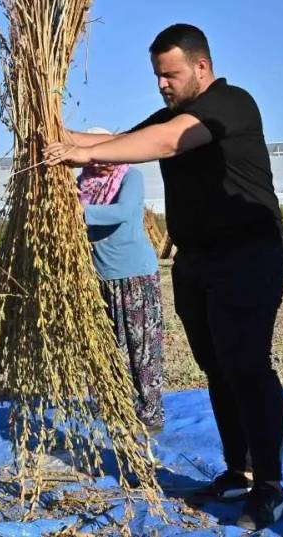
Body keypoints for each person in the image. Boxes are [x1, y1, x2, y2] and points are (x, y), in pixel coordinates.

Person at [46, 24, 283, 530]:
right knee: (216, 366)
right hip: (196, 259)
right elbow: (119, 140)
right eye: (157, 76)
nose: (162, 85)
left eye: (170, 75)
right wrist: (55, 135)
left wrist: (87, 155)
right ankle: (237, 470)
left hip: (248, 254)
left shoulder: (231, 104)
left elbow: (168, 143)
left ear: (201, 67)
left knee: (248, 363)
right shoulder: (172, 114)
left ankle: (270, 488)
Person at [78, 162, 165, 433]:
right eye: (93, 159)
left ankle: (149, 413)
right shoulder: (81, 185)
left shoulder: (130, 176)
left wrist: (79, 212)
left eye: (106, 154)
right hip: (99, 277)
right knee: (108, 346)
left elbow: (125, 211)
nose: (101, 163)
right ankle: (115, 404)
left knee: (142, 346)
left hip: (134, 274)